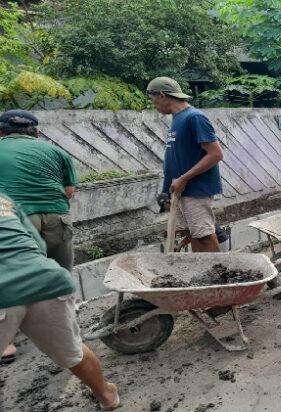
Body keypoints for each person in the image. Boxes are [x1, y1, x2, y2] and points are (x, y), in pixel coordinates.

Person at [0, 193, 120, 410]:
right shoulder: (3, 199)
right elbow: (38, 244)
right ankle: (107, 396)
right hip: (46, 279)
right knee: (74, 352)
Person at [0, 109, 78, 363]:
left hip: (18, 220)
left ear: (1, 132)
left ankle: (6, 342)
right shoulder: (56, 152)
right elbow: (69, 191)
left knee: (9, 274)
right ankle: (67, 329)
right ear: (36, 133)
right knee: (60, 272)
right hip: (58, 217)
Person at [147, 77, 224, 253]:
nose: (153, 105)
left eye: (153, 100)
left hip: (196, 190)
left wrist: (183, 179)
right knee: (194, 234)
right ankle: (200, 268)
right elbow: (176, 158)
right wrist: (166, 191)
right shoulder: (177, 119)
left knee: (204, 236)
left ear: (162, 95)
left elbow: (216, 154)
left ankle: (218, 269)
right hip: (181, 191)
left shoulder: (194, 117)